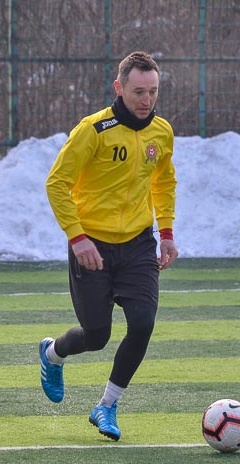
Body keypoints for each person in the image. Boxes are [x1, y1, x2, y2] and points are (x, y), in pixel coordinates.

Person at [40, 51, 178, 441]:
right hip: (92, 246)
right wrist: (77, 236)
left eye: (153, 91)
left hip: (138, 245)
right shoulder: (92, 130)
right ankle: (52, 354)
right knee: (97, 335)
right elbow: (57, 183)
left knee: (143, 323)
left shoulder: (162, 132)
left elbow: (163, 182)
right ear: (119, 87)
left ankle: (107, 405)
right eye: (138, 91)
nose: (146, 100)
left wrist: (166, 233)